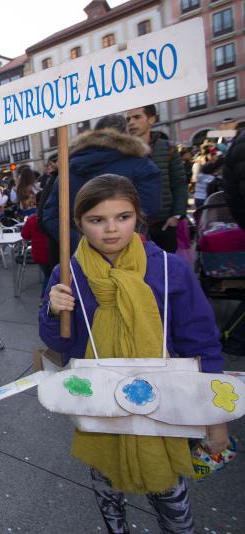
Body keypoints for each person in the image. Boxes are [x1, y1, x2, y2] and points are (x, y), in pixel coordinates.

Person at [39, 174, 226, 534]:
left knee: (171, 496)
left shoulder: (170, 270)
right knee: (108, 491)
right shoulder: (68, 274)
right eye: (97, 220)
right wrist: (52, 310)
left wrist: (214, 414)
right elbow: (60, 345)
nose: (111, 230)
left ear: (137, 217)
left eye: (122, 217)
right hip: (100, 407)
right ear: (79, 223)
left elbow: (201, 342)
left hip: (164, 406)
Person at [41, 113, 161, 255]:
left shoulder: (69, 167)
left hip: (81, 257)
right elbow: (150, 209)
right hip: (128, 254)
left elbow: (50, 216)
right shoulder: (142, 164)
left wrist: (78, 242)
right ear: (126, 135)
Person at [126, 105, 188, 253]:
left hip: (164, 224)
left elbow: (179, 183)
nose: (131, 122)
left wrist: (176, 215)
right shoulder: (124, 152)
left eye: (137, 117)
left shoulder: (168, 148)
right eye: (128, 119)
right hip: (134, 225)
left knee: (166, 270)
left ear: (151, 119)